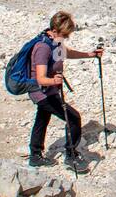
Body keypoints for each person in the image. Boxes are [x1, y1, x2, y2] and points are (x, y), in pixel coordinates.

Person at [27, 11, 102, 170]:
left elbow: (66, 53)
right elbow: (40, 77)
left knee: (42, 118)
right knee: (73, 118)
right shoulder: (43, 48)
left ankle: (35, 155)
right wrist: (53, 80)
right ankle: (71, 156)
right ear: (54, 30)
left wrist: (90, 55)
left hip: (48, 91)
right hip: (43, 92)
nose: (66, 38)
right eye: (64, 34)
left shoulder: (54, 40)